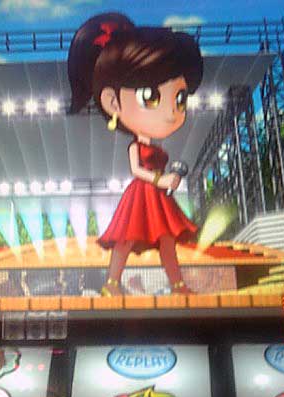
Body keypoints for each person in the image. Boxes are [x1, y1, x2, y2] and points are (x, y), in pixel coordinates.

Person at [67, 13, 203, 295]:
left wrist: (171, 179)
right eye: (150, 96)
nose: (171, 112)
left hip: (158, 197)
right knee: (126, 239)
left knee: (167, 240)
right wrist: (160, 180)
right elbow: (136, 170)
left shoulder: (156, 146)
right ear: (112, 102)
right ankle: (111, 284)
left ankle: (177, 284)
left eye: (179, 99)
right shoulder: (135, 146)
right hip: (142, 194)